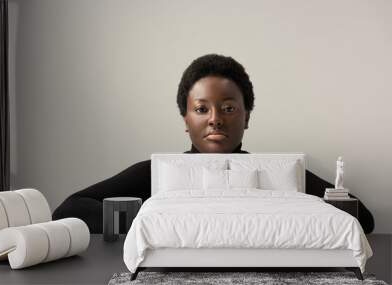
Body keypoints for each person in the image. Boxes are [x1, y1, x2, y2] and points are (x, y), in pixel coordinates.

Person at [53, 54, 374, 234]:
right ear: (185, 120)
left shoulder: (275, 171)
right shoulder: (154, 172)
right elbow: (69, 208)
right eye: (201, 109)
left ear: (246, 118)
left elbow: (365, 219)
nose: (215, 119)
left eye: (229, 109)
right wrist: (152, 222)